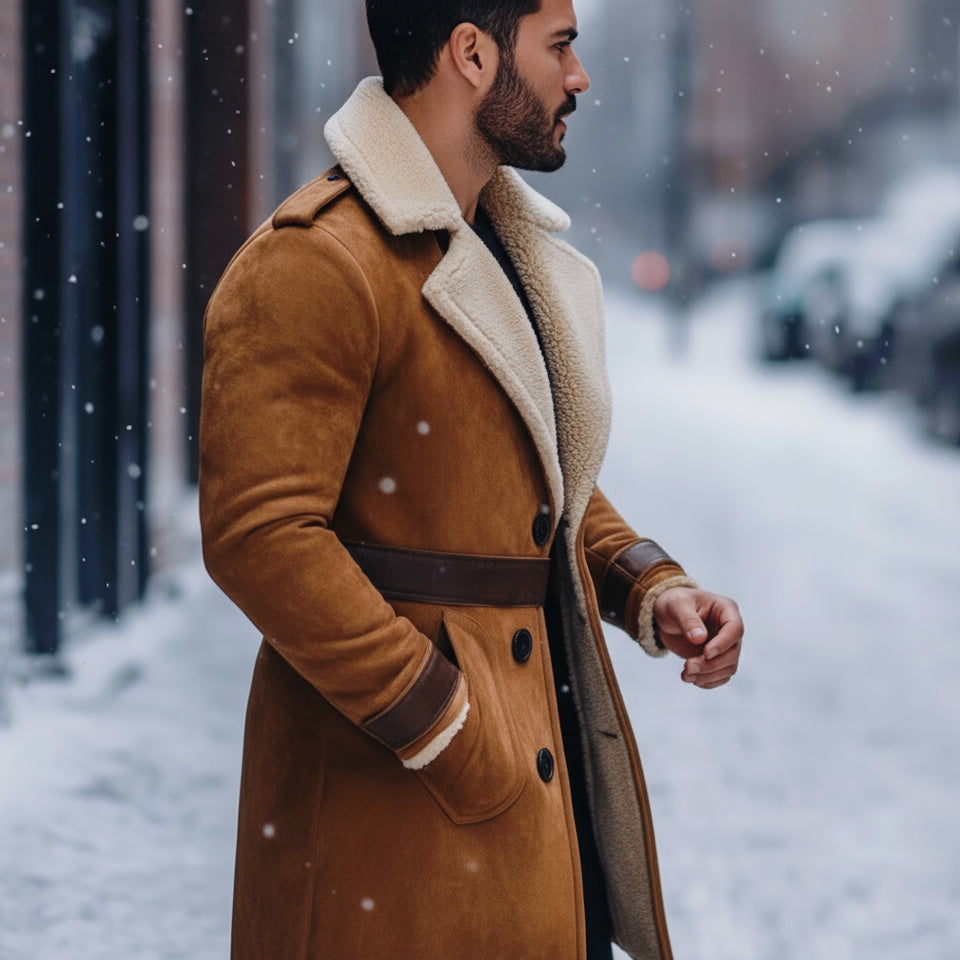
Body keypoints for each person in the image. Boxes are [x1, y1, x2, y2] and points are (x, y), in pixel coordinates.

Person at [198, 1, 744, 958]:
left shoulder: (501, 247)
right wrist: (442, 722)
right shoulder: (316, 259)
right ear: (472, 53)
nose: (580, 78)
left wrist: (651, 585)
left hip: (535, 805)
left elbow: (536, 482)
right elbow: (260, 536)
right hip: (390, 829)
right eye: (562, 47)